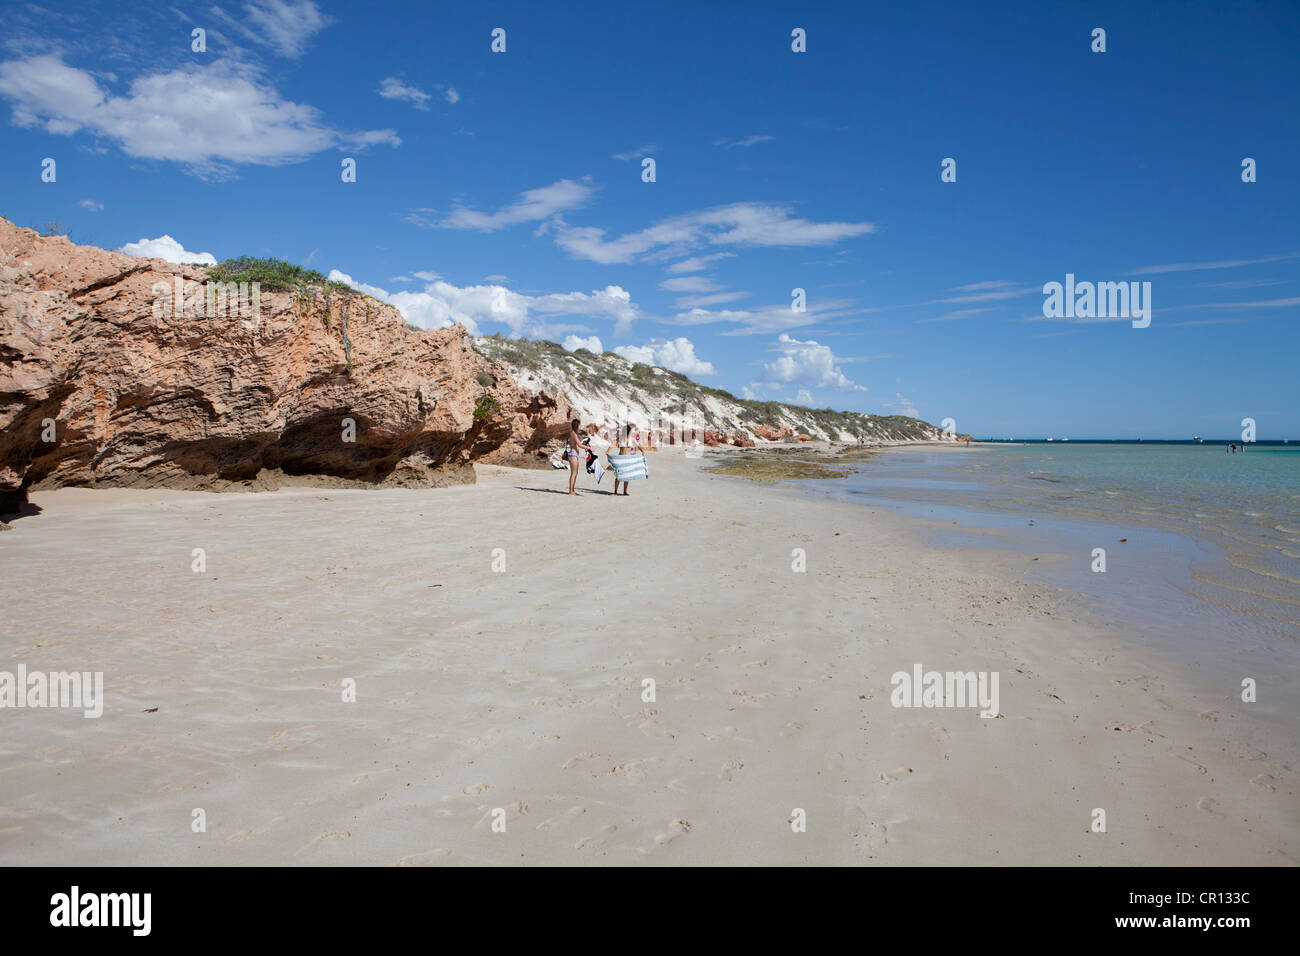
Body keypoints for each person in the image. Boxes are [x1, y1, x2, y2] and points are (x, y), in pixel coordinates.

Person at [566, 419, 594, 496]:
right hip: (573, 454)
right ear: (577, 426)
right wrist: (589, 448)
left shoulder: (573, 433)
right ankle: (571, 491)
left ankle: (572, 490)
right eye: (579, 425)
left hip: (574, 455)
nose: (580, 426)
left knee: (575, 473)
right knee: (573, 473)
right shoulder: (573, 434)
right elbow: (579, 445)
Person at [613, 423, 641, 497]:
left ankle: (625, 491)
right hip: (621, 458)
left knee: (627, 476)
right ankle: (615, 491)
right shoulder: (621, 437)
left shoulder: (632, 438)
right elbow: (612, 444)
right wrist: (607, 451)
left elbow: (638, 445)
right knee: (618, 475)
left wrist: (642, 451)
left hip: (628, 459)